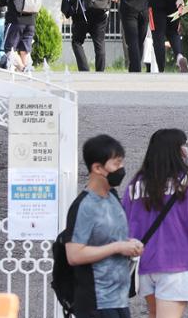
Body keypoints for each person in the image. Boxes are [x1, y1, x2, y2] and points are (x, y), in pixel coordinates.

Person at [122, 128, 188, 318]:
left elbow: (124, 221)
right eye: (185, 144)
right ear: (179, 150)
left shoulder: (136, 183)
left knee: (154, 314)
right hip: (177, 263)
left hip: (144, 263)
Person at [64, 134, 142, 318]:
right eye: (116, 164)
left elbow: (109, 238)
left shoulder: (113, 198)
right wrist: (117, 247)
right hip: (95, 301)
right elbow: (74, 255)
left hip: (119, 299)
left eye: (121, 163)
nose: (121, 169)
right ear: (97, 168)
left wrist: (130, 244)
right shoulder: (84, 206)